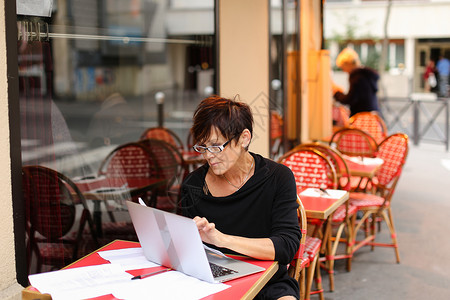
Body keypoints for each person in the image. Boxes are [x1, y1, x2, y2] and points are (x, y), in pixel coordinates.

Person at [180, 95, 301, 300]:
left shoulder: (278, 177)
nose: (209, 155)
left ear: (244, 138)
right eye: (202, 147)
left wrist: (221, 239)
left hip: (267, 281)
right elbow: (186, 248)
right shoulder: (193, 184)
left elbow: (286, 246)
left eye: (216, 146)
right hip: (210, 281)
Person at [332, 47, 380, 117]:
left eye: (343, 67)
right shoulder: (366, 74)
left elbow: (350, 99)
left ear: (347, 64)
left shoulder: (356, 76)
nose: (344, 70)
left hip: (361, 117)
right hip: (373, 116)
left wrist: (337, 93)